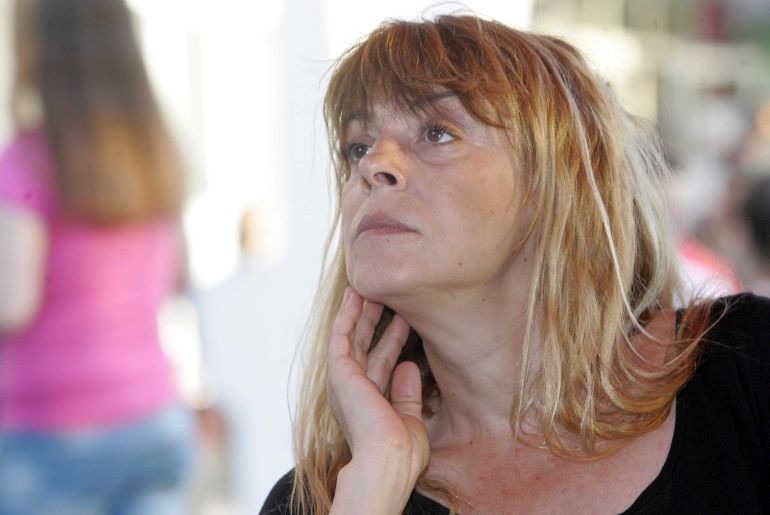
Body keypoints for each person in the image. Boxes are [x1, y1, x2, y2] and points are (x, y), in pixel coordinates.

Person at [261, 14, 770, 515]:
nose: (373, 164)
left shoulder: (745, 366)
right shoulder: (321, 500)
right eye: (358, 146)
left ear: (557, 182)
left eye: (437, 133)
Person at [0, 0, 194, 513]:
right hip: (153, 417)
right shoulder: (153, 152)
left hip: (52, 433)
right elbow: (176, 276)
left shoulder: (28, 160)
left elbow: (12, 302)